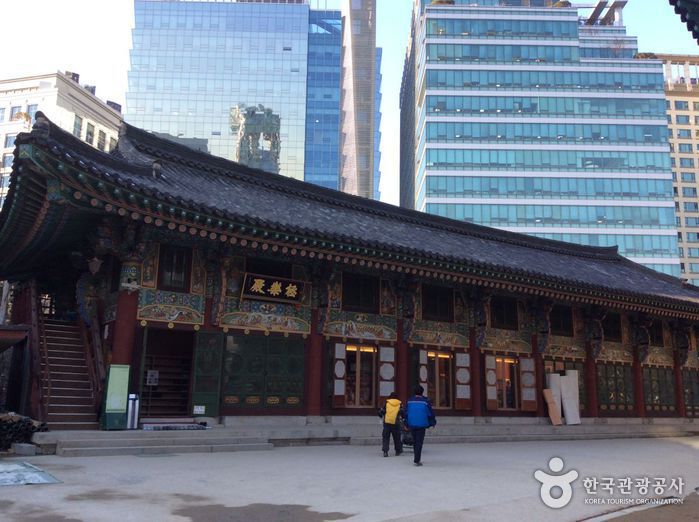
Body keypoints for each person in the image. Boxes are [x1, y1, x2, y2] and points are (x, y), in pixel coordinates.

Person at [404, 385, 436, 466]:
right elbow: (430, 413)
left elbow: (406, 413)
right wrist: (432, 422)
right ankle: (417, 459)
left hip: (412, 423)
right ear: (422, 392)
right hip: (422, 424)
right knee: (419, 442)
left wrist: (406, 423)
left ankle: (416, 457)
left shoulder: (409, 401)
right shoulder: (425, 402)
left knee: (415, 441)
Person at [378, 392, 403, 457]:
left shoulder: (387, 403)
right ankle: (398, 451)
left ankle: (385, 451)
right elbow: (402, 412)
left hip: (387, 422)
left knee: (386, 437)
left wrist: (380, 415)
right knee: (397, 437)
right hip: (396, 423)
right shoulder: (399, 404)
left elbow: (382, 412)